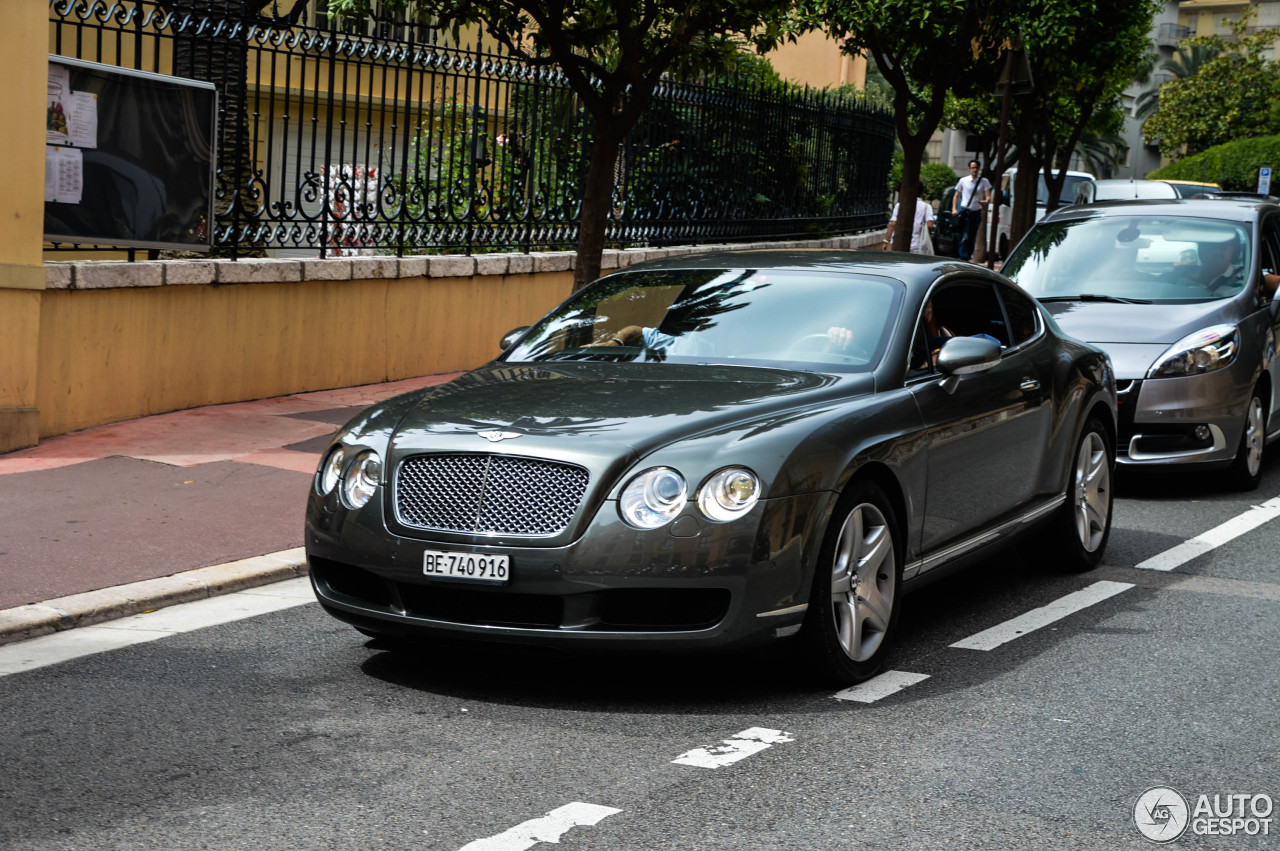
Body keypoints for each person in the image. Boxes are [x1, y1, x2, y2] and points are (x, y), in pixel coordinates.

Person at [951, 159, 991, 261]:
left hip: (977, 212)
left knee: (973, 236)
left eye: (976, 168)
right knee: (966, 235)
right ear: (969, 169)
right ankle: (963, 257)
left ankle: (968, 256)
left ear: (979, 169)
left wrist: (986, 201)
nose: (975, 170)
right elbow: (956, 196)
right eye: (973, 168)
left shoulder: (984, 181)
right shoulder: (963, 181)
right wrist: (954, 209)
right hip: (966, 211)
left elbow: (988, 196)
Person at [882, 184, 935, 254]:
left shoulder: (899, 206)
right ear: (922, 193)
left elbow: (893, 224)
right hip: (917, 245)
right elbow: (930, 225)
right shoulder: (927, 207)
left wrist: (886, 241)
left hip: (899, 244)